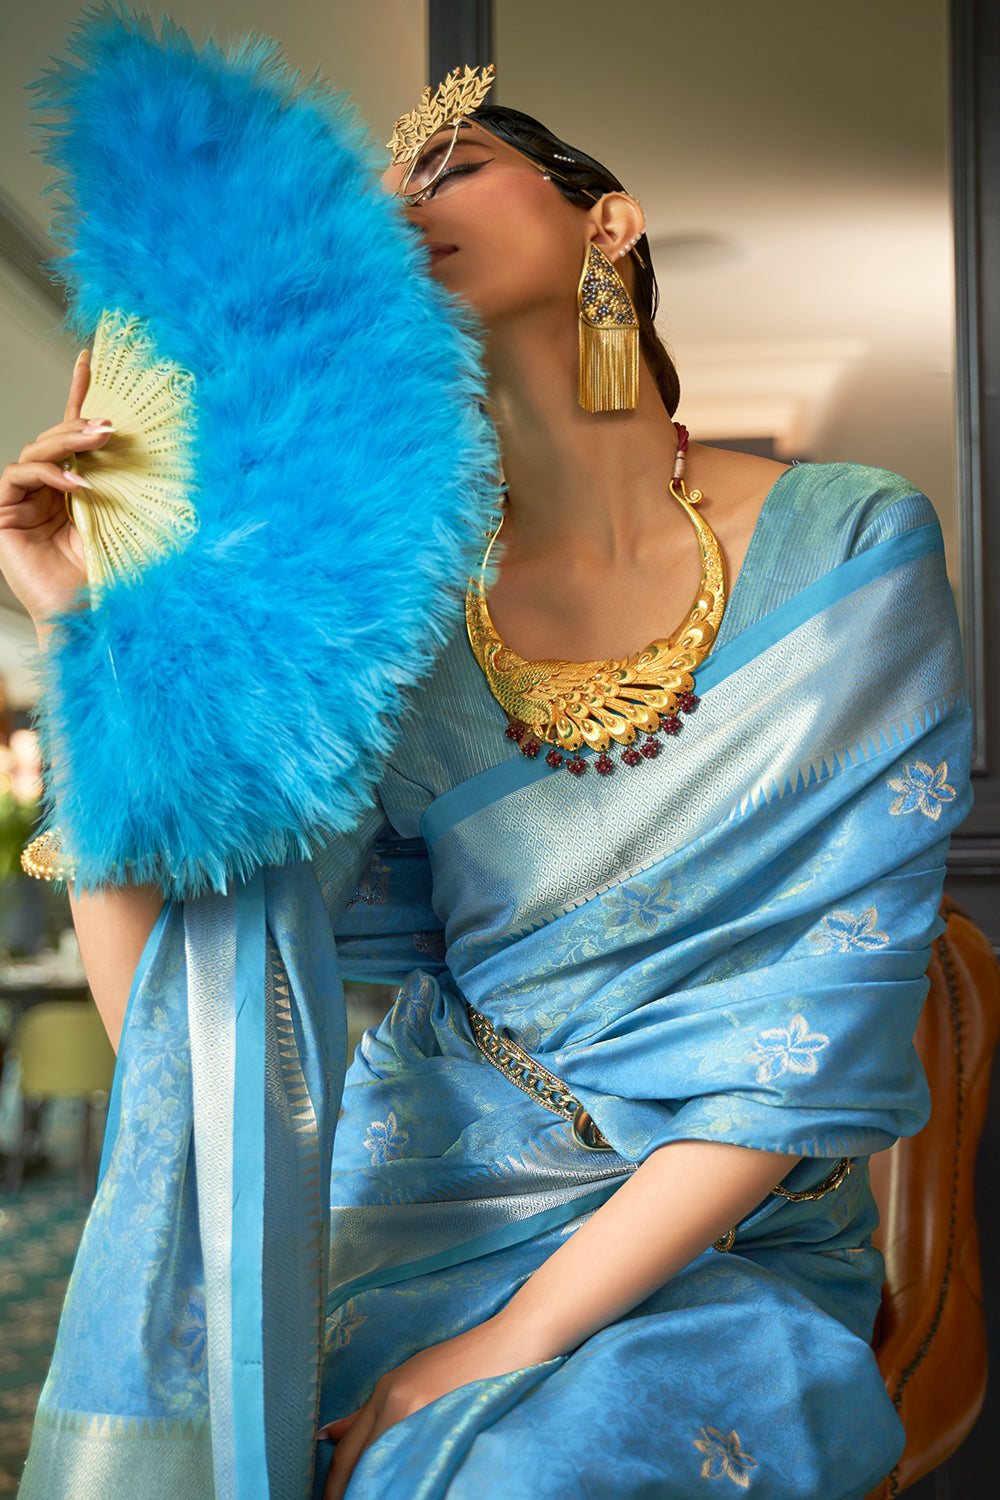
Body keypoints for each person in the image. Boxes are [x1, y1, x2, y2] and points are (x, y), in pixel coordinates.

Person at [0, 77, 970, 1500]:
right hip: (417, 1193)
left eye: (449, 166)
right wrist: (89, 633)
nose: (399, 208)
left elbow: (813, 1025)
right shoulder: (387, 624)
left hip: (716, 1234)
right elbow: (185, 1002)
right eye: (376, 199)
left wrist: (508, 1340)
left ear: (609, 225)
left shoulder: (851, 542)